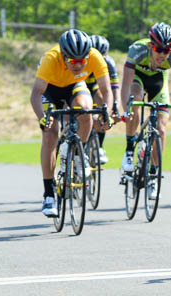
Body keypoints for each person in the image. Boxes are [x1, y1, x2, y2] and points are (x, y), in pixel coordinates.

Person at [30, 29, 113, 217]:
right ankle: (49, 195)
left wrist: (105, 114)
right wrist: (42, 117)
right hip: (49, 90)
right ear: (64, 55)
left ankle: (78, 151)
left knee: (86, 110)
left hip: (74, 86)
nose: (79, 64)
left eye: (82, 60)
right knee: (50, 133)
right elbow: (35, 93)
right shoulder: (51, 58)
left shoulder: (94, 56)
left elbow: (106, 91)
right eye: (73, 61)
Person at [119, 23, 171, 199]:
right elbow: (126, 84)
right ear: (151, 46)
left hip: (158, 82)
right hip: (137, 79)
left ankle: (153, 173)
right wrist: (126, 109)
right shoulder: (137, 50)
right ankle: (129, 149)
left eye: (167, 50)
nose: (163, 54)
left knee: (162, 128)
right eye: (159, 49)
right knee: (134, 99)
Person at [85, 35, 121, 163]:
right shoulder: (82, 59)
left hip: (95, 86)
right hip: (81, 85)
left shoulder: (109, 63)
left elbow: (114, 88)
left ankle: (99, 147)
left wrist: (115, 108)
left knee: (103, 101)